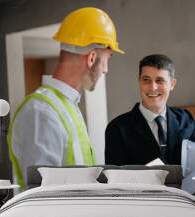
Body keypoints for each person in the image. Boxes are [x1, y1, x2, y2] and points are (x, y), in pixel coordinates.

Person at [8, 7, 124, 187]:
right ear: (92, 58)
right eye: (107, 59)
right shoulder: (42, 112)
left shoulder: (66, 107)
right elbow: (42, 193)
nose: (106, 70)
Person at [105, 54, 195, 183]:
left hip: (182, 199)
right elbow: (114, 179)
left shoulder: (185, 119)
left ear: (172, 84)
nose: (153, 87)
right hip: (141, 201)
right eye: (146, 80)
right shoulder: (117, 128)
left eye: (160, 80)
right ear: (139, 82)